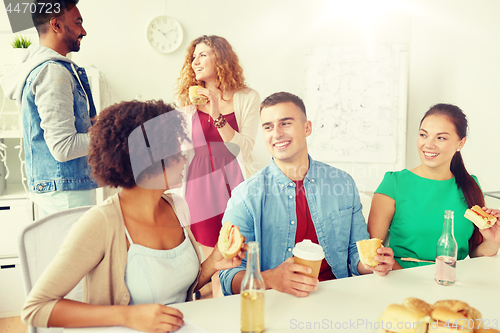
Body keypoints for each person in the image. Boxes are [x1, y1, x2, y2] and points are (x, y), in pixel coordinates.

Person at [21, 100, 246, 332]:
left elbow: (175, 290)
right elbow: (35, 308)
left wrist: (212, 264)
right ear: (148, 158)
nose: (185, 157)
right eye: (176, 150)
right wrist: (128, 316)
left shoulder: (177, 206)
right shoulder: (101, 224)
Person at [219, 92, 395, 297]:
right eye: (268, 126)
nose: (276, 133)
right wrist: (270, 279)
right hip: (277, 302)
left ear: (307, 128)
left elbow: (356, 255)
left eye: (285, 123)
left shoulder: (343, 183)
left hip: (338, 297)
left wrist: (375, 264)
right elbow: (228, 276)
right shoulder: (245, 196)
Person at [175, 35, 260, 296]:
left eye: (202, 55)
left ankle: (234, 301)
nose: (195, 62)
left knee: (238, 247)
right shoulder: (188, 103)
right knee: (209, 254)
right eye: (193, 57)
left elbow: (243, 147)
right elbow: (183, 149)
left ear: (220, 58)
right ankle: (212, 307)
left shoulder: (248, 97)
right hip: (199, 184)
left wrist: (216, 114)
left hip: (234, 180)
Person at [367, 103, 500, 269]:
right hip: (401, 280)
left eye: (441, 137)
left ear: (461, 143)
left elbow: (475, 253)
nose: (428, 144)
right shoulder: (394, 183)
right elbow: (372, 254)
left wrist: (494, 241)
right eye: (423, 135)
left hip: (453, 280)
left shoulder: (470, 185)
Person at [0, 0, 97, 215]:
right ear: (56, 25)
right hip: (67, 195)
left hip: (64, 190)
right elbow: (64, 147)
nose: (84, 31)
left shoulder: (49, 69)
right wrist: (114, 135)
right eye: (78, 23)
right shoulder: (53, 72)